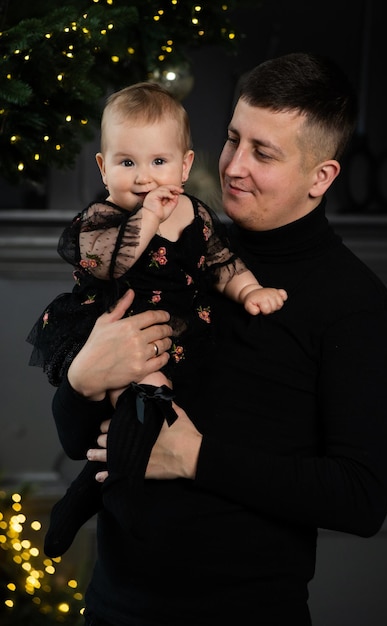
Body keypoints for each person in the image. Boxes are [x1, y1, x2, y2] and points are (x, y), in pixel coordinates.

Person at [49, 52, 387, 626]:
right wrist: (81, 378)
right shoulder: (169, 247)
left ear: (322, 175)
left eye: (263, 153)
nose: (234, 166)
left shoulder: (355, 305)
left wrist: (194, 458)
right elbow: (75, 438)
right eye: (233, 139)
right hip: (117, 607)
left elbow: (360, 497)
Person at [27, 81, 287, 558]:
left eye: (159, 162)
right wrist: (146, 219)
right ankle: (123, 503)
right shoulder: (103, 217)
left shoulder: (195, 214)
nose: (145, 177)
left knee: (160, 410)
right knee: (147, 392)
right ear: (104, 168)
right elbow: (106, 264)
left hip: (176, 333)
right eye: (127, 163)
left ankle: (92, 488)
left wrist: (250, 290)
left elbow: (220, 260)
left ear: (185, 165)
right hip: (112, 330)